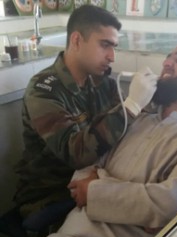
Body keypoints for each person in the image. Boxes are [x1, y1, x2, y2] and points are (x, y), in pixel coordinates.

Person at [0, 41, 177, 237]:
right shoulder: (131, 118)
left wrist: (96, 188)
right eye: (168, 56)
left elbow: (166, 204)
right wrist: (134, 200)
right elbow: (85, 167)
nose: (166, 63)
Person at [13, 4, 157, 219]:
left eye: (114, 47)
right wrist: (131, 106)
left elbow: (126, 132)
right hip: (50, 194)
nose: (112, 57)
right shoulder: (44, 90)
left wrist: (148, 104)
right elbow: (76, 154)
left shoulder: (103, 83)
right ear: (77, 40)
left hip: (96, 181)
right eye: (105, 45)